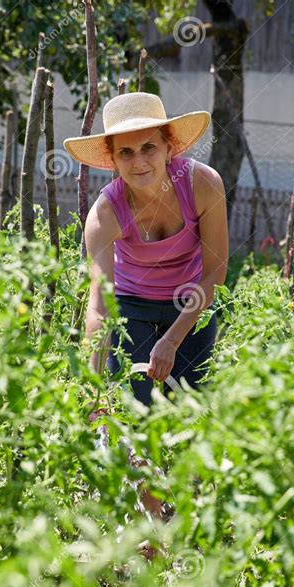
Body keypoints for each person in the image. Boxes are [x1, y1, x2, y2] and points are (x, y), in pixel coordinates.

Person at [64, 92, 229, 525]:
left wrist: (173, 339)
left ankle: (190, 522)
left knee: (186, 415)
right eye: (127, 152)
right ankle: (153, 530)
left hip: (191, 304)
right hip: (133, 307)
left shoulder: (203, 184)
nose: (140, 161)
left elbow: (215, 273)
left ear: (169, 146)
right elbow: (99, 302)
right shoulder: (106, 213)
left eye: (149, 147)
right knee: (132, 418)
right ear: (113, 160)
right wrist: (93, 381)